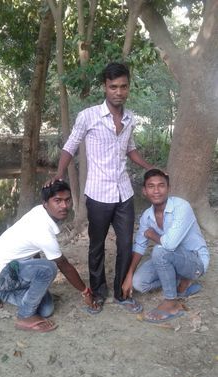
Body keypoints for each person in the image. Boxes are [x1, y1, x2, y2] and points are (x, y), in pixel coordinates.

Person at [49, 62, 153, 314]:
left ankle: (121, 292)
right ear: (104, 88)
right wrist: (59, 174)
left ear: (129, 87)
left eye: (123, 87)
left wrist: (151, 168)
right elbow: (70, 146)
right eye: (113, 87)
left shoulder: (130, 119)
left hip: (124, 193)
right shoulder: (88, 116)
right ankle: (97, 292)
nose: (119, 92)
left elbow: (130, 149)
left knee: (125, 244)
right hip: (98, 194)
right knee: (96, 246)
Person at [0, 181, 97, 332]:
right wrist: (85, 292)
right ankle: (24, 317)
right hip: (2, 274)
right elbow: (64, 265)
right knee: (48, 268)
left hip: (8, 272)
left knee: (46, 309)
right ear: (45, 203)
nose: (64, 206)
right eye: (57, 201)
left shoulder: (39, 211)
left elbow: (32, 250)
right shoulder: (43, 229)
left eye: (67, 200)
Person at [122, 169, 210, 323]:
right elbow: (139, 247)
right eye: (151, 186)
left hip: (195, 262)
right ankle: (182, 283)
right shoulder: (147, 216)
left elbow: (169, 244)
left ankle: (171, 303)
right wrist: (129, 275)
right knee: (139, 283)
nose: (156, 191)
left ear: (168, 188)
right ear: (144, 191)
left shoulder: (182, 206)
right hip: (170, 258)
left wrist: (152, 235)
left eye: (161, 185)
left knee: (160, 251)